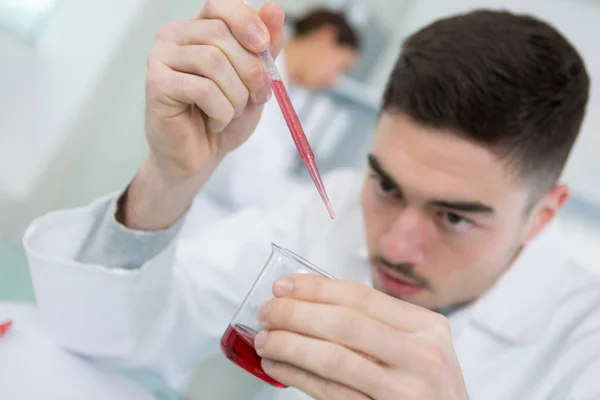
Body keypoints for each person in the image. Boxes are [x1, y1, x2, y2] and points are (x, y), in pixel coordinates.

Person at [22, 1, 600, 399]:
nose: (394, 245)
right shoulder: (329, 215)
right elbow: (102, 336)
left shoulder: (583, 343)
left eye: (454, 217)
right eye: (387, 185)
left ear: (542, 216)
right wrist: (169, 179)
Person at [190, 7, 360, 228]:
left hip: (220, 226)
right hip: (197, 223)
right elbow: (240, 180)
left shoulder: (291, 96)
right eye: (340, 67)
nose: (332, 81)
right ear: (324, 37)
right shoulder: (254, 73)